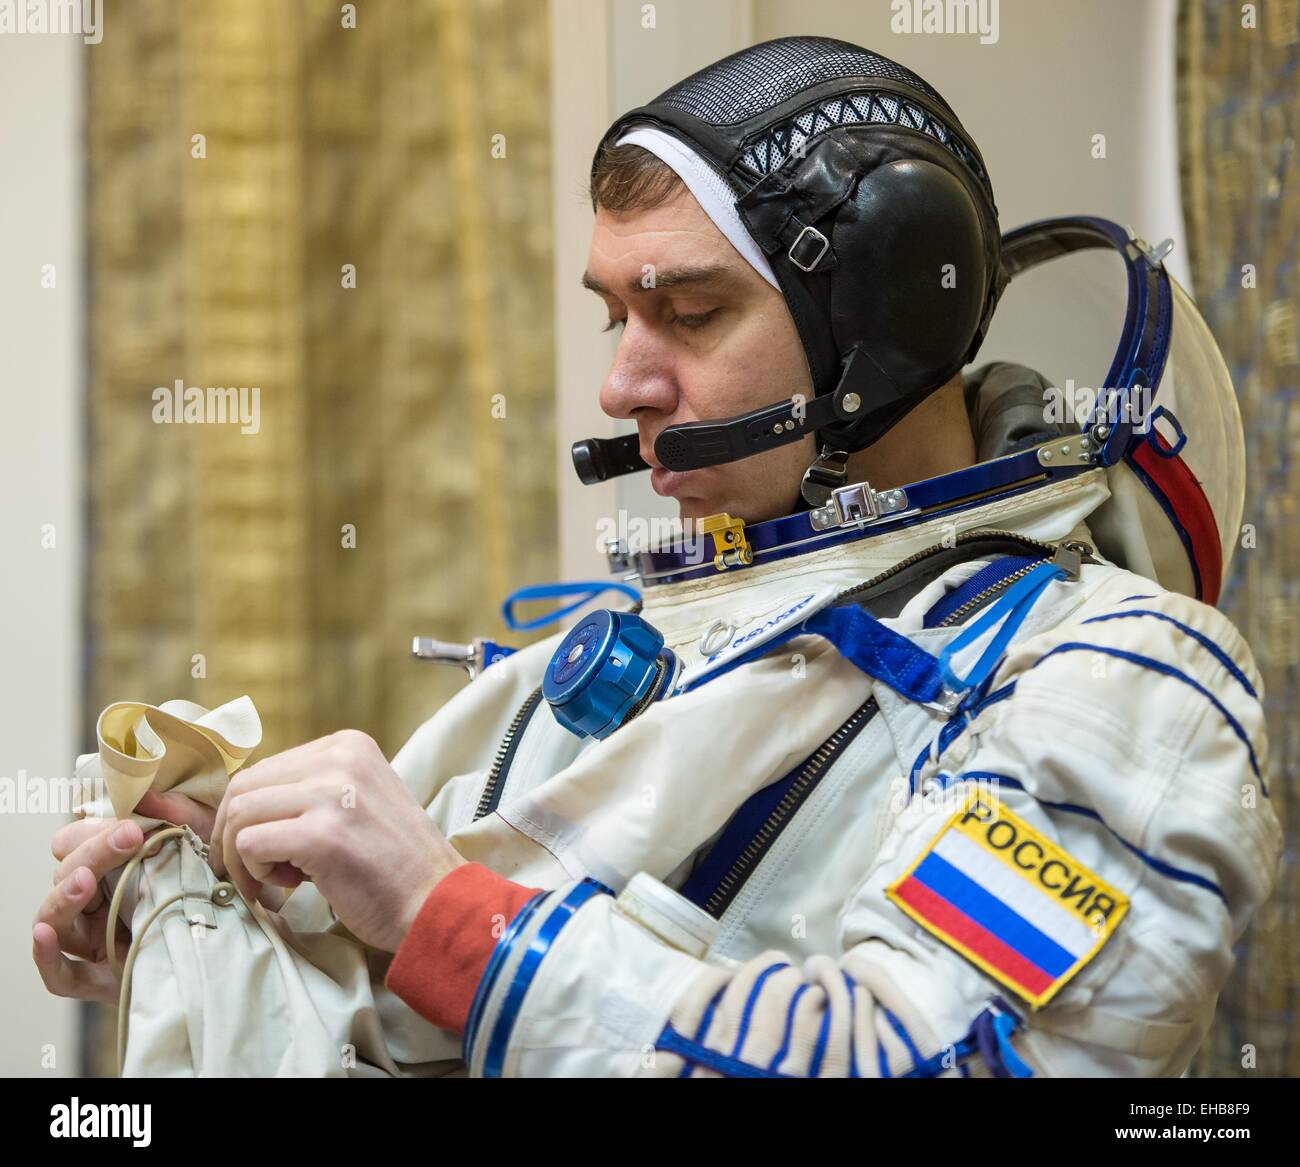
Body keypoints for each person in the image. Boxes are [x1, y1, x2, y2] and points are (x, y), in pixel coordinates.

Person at [34, 36, 1280, 1078]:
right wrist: (220, 918)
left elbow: (946, 1051)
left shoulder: (1118, 676)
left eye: (686, 315)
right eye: (612, 313)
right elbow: (423, 1025)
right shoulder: (650, 645)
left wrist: (440, 914)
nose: (622, 383)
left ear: (883, 326)